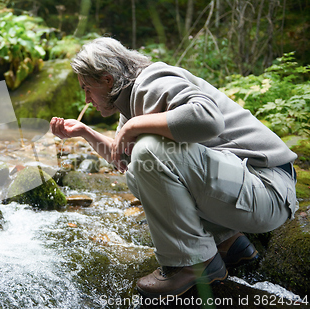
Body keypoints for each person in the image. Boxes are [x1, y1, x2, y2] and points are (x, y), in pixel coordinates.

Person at [49, 37, 298, 298]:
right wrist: (85, 133)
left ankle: (191, 264)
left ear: (106, 79)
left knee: (147, 152)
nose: (87, 99)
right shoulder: (130, 103)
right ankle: (228, 243)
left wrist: (135, 126)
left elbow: (209, 119)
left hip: (269, 190)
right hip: (250, 194)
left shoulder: (153, 81)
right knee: (138, 168)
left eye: (87, 88)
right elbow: (123, 160)